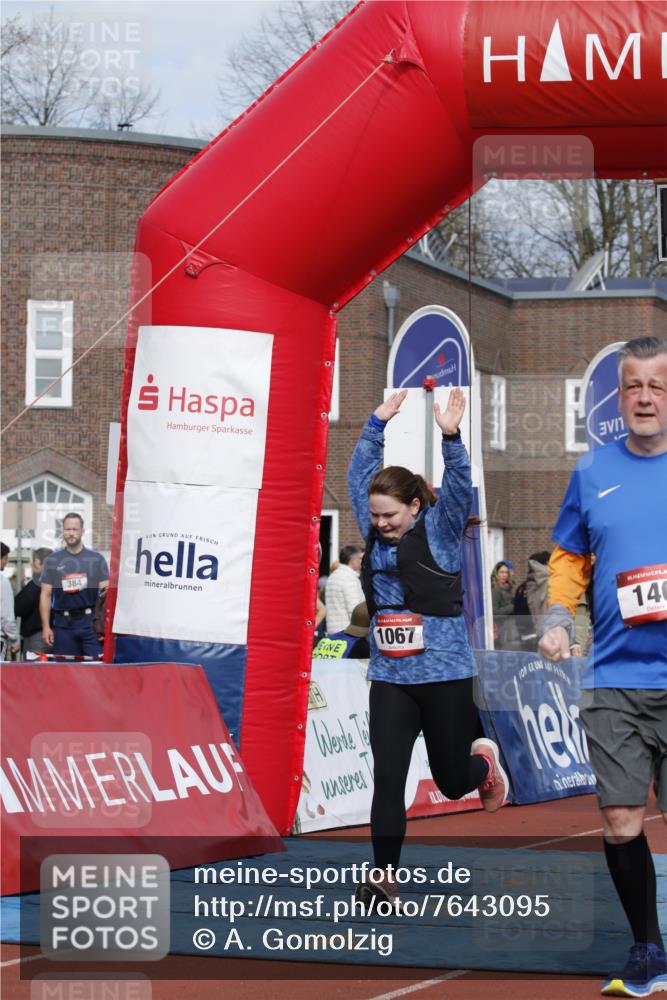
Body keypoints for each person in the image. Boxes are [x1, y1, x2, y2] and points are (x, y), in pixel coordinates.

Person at [538, 336, 667, 998]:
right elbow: (566, 558)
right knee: (620, 821)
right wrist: (558, 619)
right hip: (614, 678)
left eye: (655, 386)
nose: (643, 398)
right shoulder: (591, 472)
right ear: (618, 396)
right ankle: (647, 948)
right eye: (631, 387)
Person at [349, 387, 508, 910]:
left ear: (415, 506)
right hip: (392, 679)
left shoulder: (440, 531)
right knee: (388, 776)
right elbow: (359, 474)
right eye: (374, 517)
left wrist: (450, 437)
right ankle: (384, 877)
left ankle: (483, 766)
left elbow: (460, 488)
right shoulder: (372, 534)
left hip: (444, 676)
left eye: (390, 516)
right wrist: (377, 420)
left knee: (450, 779)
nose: (381, 524)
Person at [39, 513, 109, 657]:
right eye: (67, 529)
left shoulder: (96, 559)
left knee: (95, 671)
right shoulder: (52, 560)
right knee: (65, 672)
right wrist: (46, 627)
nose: (71, 533)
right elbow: (45, 595)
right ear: (62, 531)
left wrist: (104, 627)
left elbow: (106, 595)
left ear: (82, 531)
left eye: (75, 529)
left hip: (90, 625)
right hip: (63, 625)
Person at [14, 548, 52, 656]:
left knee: (34, 671)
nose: (31, 563)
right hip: (58, 635)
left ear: (38, 563)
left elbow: (17, 608)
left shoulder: (35, 585)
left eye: (33, 560)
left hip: (37, 638)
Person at [325, 544, 364, 634]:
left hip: (333, 631)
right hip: (349, 633)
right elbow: (355, 610)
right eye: (360, 558)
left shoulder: (333, 576)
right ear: (352, 560)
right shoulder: (349, 578)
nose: (362, 561)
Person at [491, 560, 518, 649]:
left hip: (508, 627)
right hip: (499, 629)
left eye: (506, 572)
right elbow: (494, 613)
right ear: (496, 573)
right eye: (501, 572)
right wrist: (513, 607)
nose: (504, 575)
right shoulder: (496, 589)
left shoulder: (507, 587)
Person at [1, 543, 20, 661]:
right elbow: (7, 618)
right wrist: (15, 640)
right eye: (5, 558)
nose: (6, 562)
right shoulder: (3, 583)